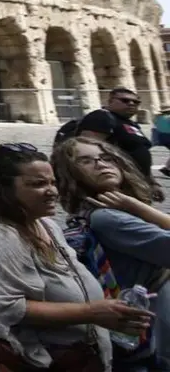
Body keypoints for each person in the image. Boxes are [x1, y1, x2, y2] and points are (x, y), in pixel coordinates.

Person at [0, 143, 152, 371]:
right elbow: (9, 307)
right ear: (2, 188)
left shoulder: (45, 224)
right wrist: (92, 312)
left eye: (52, 182)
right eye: (37, 184)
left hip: (83, 355)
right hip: (47, 360)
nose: (52, 191)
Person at [53, 137, 170, 368]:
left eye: (106, 157)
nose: (100, 164)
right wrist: (140, 208)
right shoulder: (107, 217)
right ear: (70, 174)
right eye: (85, 160)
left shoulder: (105, 212)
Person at [71, 88, 155, 185]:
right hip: (115, 179)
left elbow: (140, 151)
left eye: (136, 102)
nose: (131, 104)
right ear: (110, 102)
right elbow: (87, 148)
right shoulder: (101, 117)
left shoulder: (130, 123)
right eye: (125, 100)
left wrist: (151, 181)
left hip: (137, 179)